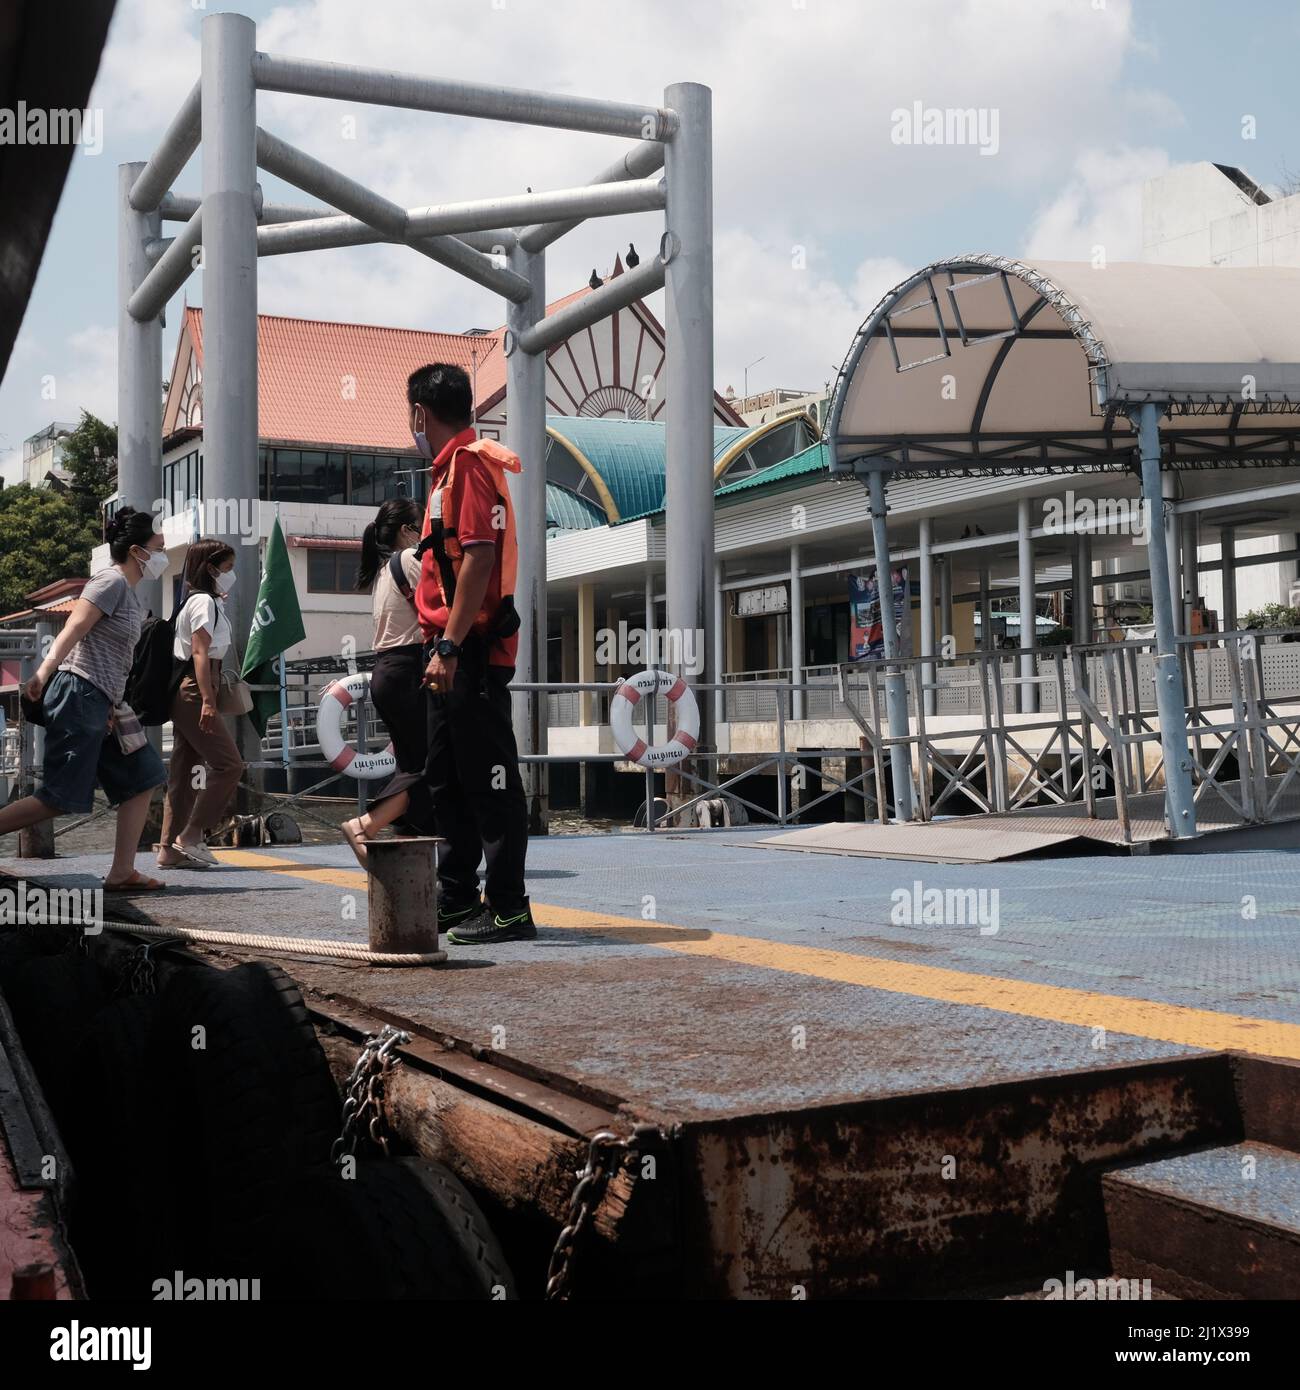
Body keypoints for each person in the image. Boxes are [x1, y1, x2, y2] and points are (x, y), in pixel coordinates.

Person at [408, 362, 533, 944]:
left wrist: (453, 645)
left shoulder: (469, 468)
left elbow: (479, 557)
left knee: (491, 779)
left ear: (419, 415)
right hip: (447, 650)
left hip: (471, 652)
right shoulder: (446, 473)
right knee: (445, 778)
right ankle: (456, 896)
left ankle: (509, 907)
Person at [0, 507, 168, 892]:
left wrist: (111, 702)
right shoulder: (109, 582)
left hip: (103, 701)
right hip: (79, 693)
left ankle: (122, 871)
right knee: (58, 798)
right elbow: (73, 628)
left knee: (144, 777)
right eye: (158, 548)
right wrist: (43, 672)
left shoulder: (128, 592)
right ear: (137, 551)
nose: (162, 555)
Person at [339, 497, 433, 865]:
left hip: (386, 671)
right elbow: (438, 605)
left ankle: (408, 838)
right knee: (429, 765)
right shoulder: (410, 560)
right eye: (421, 524)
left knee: (410, 763)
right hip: (409, 669)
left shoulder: (382, 571)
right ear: (408, 530)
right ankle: (365, 824)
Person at [157, 539, 245, 869]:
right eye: (228, 569)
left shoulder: (195, 601)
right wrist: (208, 700)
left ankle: (168, 849)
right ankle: (191, 835)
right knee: (229, 765)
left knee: (183, 769)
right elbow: (200, 652)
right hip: (196, 689)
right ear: (211, 568)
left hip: (190, 689)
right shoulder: (204, 603)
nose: (230, 575)